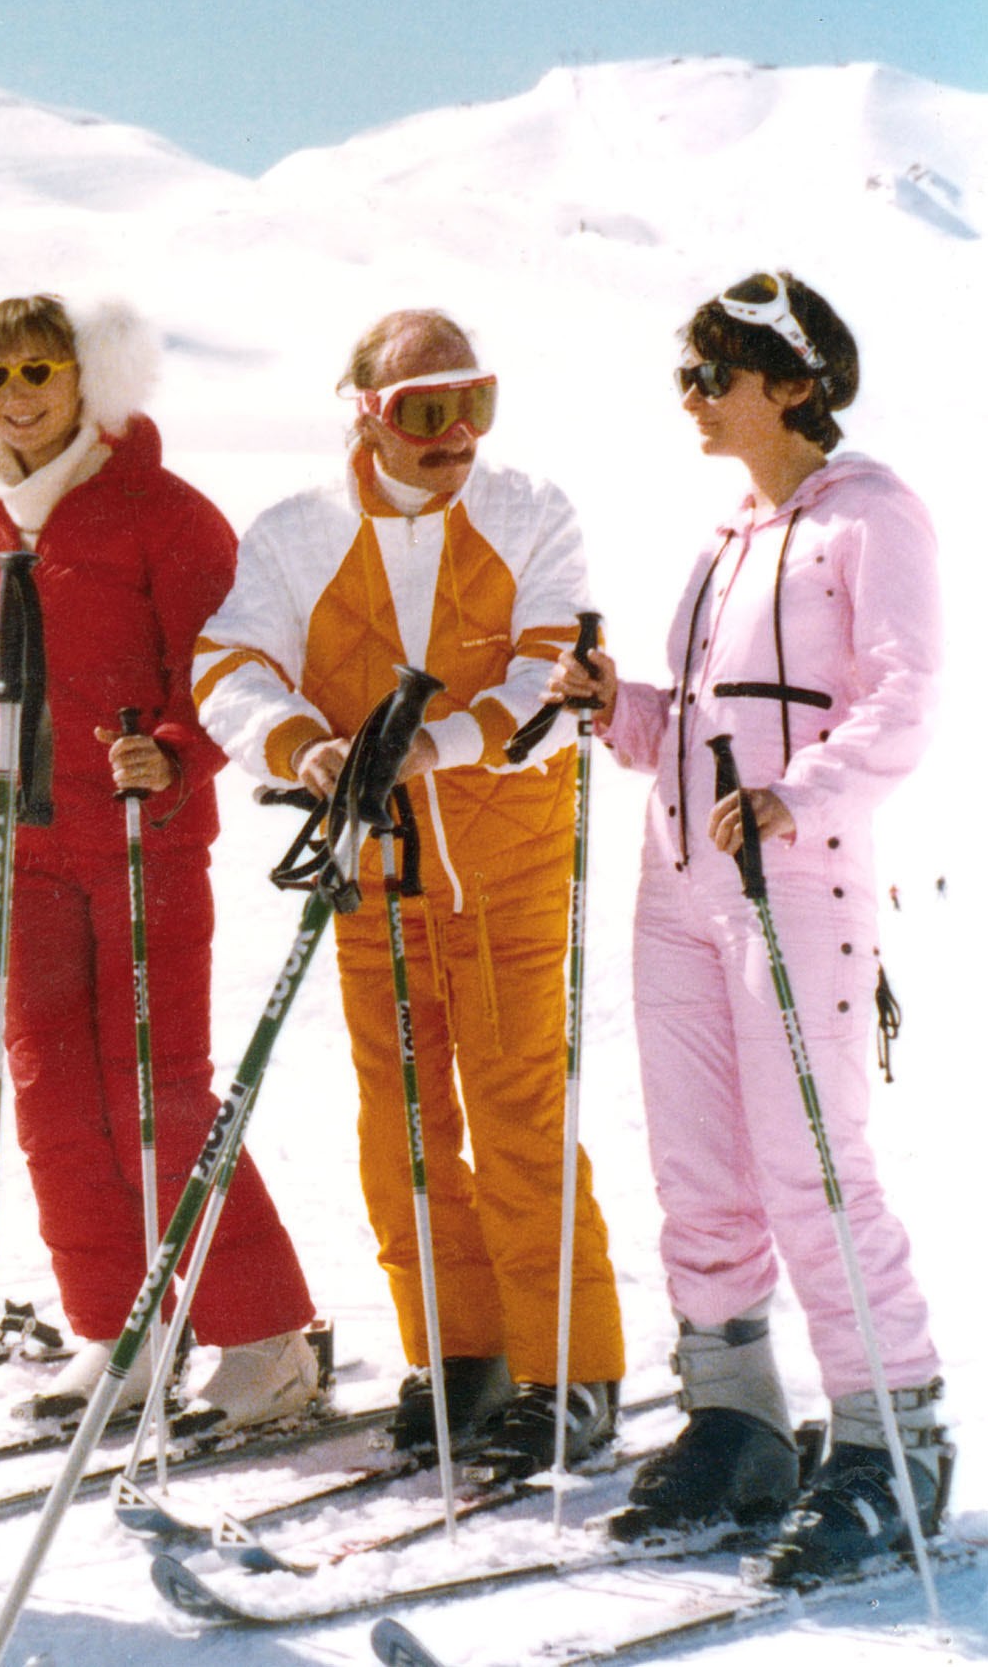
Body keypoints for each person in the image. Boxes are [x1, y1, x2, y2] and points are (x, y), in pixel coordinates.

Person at [0, 294, 322, 1431]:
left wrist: (174, 758)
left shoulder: (165, 515)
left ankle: (266, 1342)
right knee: (52, 1099)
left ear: (87, 375)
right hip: (21, 855)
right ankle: (121, 1334)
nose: (17, 392)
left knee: (159, 1093)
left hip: (142, 848)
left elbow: (226, 681)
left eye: (39, 368)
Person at [547, 272, 946, 1577]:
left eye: (711, 376)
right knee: (698, 1169)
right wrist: (618, 705)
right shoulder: (728, 537)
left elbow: (897, 700)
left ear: (790, 382)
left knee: (809, 1167)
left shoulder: (866, 518)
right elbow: (703, 731)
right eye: (685, 375)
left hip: (795, 878)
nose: (691, 399)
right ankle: (734, 1418)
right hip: (682, 881)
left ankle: (891, 1440)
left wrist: (801, 798)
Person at [192, 309, 625, 1475]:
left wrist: (434, 745)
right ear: (367, 416)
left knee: (520, 1109)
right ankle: (459, 1349)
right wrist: (298, 745)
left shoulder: (529, 513)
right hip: (374, 871)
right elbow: (228, 664)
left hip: (507, 864)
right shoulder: (295, 535)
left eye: (472, 404)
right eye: (424, 412)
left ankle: (568, 1366)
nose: (455, 436)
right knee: (403, 1124)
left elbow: (551, 670)